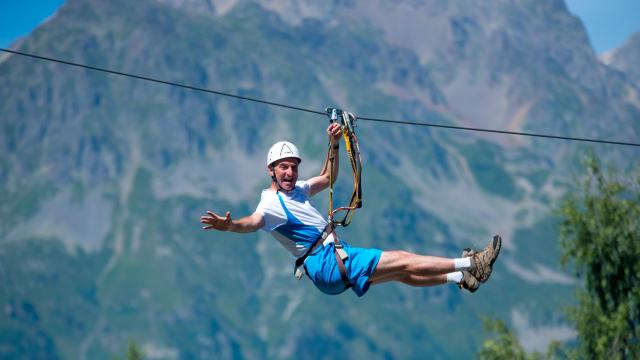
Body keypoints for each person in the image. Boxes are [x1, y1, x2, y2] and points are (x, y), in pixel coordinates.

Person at [200, 123, 501, 297]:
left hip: (330, 264)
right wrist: (230, 225)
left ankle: (459, 279)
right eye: (283, 168)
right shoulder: (270, 204)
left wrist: (333, 144)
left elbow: (329, 177)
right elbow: (252, 223)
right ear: (271, 171)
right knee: (404, 258)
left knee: (399, 271)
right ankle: (472, 264)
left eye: (293, 167)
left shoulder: (299, 190)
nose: (290, 173)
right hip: (328, 263)